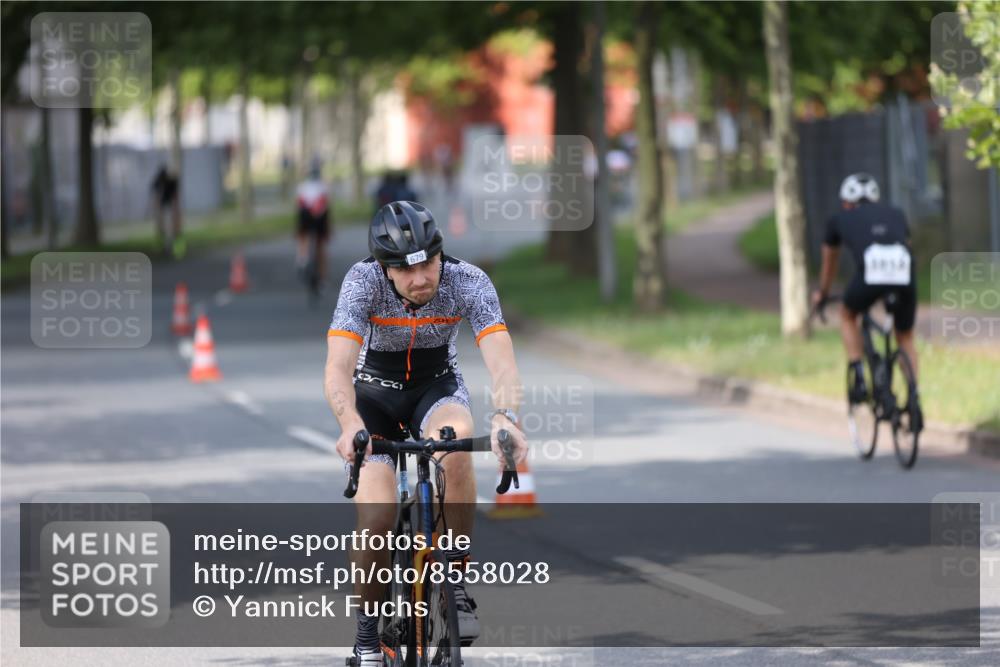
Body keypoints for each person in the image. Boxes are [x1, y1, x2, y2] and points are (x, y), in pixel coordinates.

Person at [325, 201, 529, 666]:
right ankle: (366, 637)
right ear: (385, 269)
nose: (421, 279)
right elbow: (337, 369)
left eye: (428, 263)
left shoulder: (468, 281)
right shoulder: (362, 283)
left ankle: (453, 582)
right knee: (377, 520)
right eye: (405, 269)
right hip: (373, 399)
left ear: (440, 252)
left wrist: (507, 416)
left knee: (456, 443)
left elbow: (503, 361)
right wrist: (349, 423)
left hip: (436, 390)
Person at [812, 173, 918, 404]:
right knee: (905, 336)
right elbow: (907, 246)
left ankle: (858, 374)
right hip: (905, 274)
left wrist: (823, 293)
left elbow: (829, 263)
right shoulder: (896, 213)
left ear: (846, 202)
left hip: (871, 276)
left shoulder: (839, 219)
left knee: (848, 314)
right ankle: (913, 397)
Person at [295, 166, 331, 282]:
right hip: (320, 216)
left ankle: (302, 259)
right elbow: (326, 203)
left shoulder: (302, 186)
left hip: (306, 215)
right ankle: (322, 275)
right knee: (320, 246)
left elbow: (299, 204)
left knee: (303, 236)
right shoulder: (323, 186)